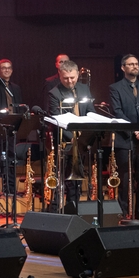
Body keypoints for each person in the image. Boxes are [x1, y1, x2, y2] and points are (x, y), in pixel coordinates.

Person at [109, 54, 139, 220]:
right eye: (130, 64)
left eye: (136, 64)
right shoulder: (115, 88)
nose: (135, 66)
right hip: (125, 139)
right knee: (125, 178)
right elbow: (117, 112)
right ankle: (123, 213)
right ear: (123, 68)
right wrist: (134, 130)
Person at [48, 59, 94, 205]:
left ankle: (73, 207)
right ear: (59, 75)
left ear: (77, 74)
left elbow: (90, 112)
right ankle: (57, 208)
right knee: (61, 178)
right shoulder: (54, 93)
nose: (69, 81)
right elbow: (56, 119)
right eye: (65, 78)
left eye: (72, 78)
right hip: (64, 141)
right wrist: (73, 136)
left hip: (81, 140)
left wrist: (85, 135)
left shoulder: (84, 89)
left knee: (76, 181)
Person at [0, 59, 24, 195]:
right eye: (4, 68)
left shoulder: (16, 88)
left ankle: (10, 188)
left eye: (9, 68)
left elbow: (19, 105)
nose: (7, 70)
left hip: (12, 127)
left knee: (11, 157)